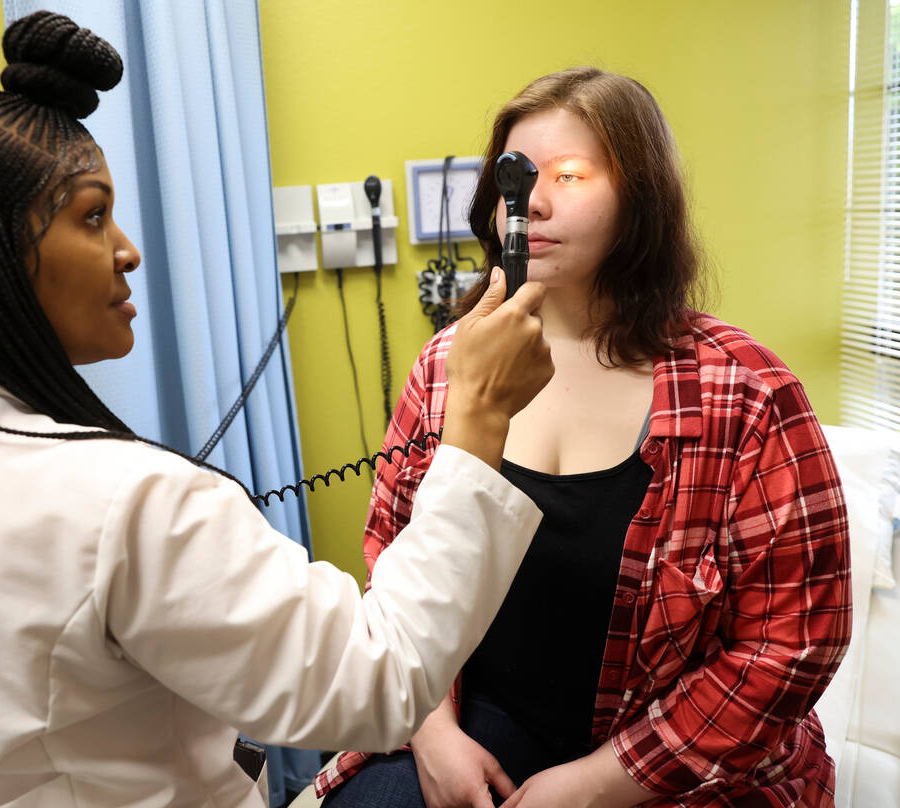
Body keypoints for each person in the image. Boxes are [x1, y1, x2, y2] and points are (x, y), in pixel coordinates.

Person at [0, 12, 555, 808]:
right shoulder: (117, 503)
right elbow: (379, 679)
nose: (128, 249)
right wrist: (478, 414)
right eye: (92, 215)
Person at [317, 67, 851, 808]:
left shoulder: (750, 393)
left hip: (671, 749)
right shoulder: (449, 365)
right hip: (482, 718)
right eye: (517, 176)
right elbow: (395, 549)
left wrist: (602, 784)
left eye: (569, 175)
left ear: (640, 198)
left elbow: (795, 642)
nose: (531, 202)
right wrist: (435, 734)